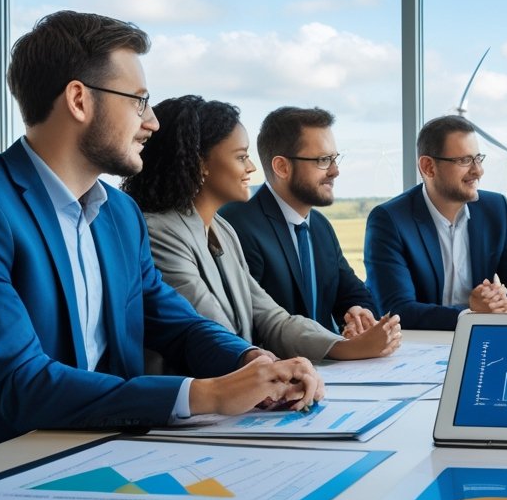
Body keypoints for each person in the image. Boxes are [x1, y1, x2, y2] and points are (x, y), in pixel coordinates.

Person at [0, 11, 322, 500]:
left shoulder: (119, 214)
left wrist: (257, 360)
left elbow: (171, 319)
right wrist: (203, 396)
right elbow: (22, 385)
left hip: (104, 456)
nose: (152, 121)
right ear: (79, 99)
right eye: (139, 100)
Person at [122, 96, 401, 363]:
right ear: (201, 165)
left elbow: (272, 318)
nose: (252, 167)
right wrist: (272, 369)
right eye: (242, 157)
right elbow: (209, 329)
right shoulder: (159, 232)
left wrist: (345, 347)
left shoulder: (223, 231)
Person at [364, 115, 507, 330]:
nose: (478, 171)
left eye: (478, 158)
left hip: (480, 341)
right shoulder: (390, 220)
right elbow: (397, 309)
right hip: (417, 348)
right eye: (464, 161)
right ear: (428, 167)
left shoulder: (495, 209)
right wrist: (473, 314)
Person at [219, 106, 379, 335]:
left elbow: (354, 293)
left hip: (331, 365)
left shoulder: (321, 226)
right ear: (282, 167)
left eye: (334, 158)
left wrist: (357, 314)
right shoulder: (238, 226)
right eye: (323, 160)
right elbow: (246, 327)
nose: (335, 171)